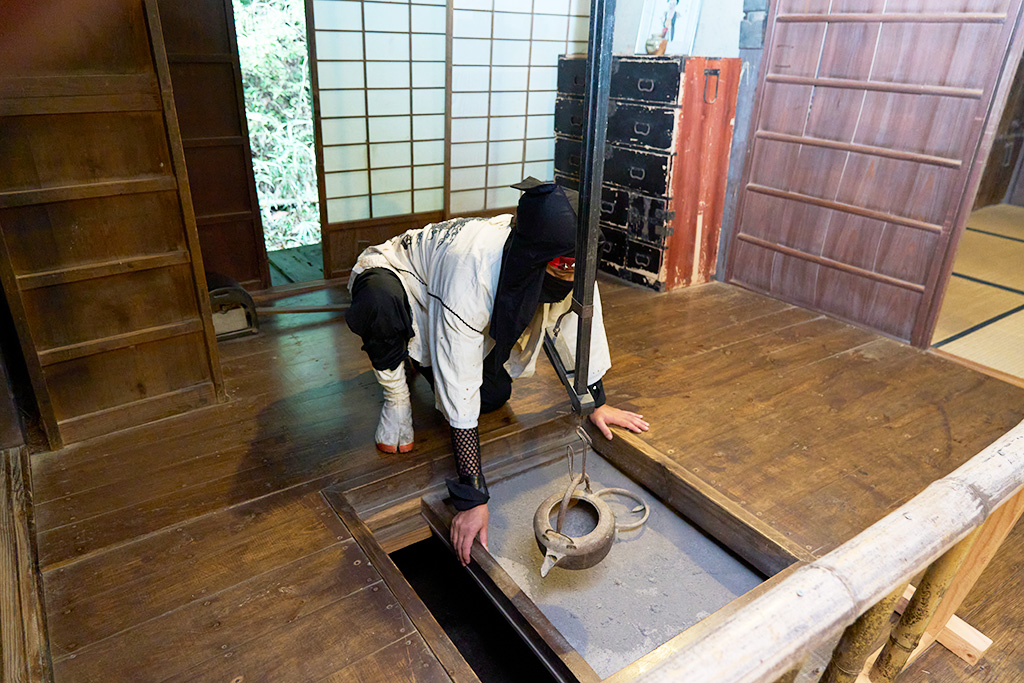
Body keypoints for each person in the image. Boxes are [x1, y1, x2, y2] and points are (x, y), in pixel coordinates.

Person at [345, 178, 649, 566]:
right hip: (403, 279)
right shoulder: (470, 269)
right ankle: (397, 396)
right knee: (380, 304)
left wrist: (594, 403)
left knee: (492, 397)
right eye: (564, 264)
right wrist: (472, 497)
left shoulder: (566, 256)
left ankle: (422, 361)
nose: (573, 271)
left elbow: (578, 329)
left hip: (453, 301)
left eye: (579, 263)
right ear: (537, 257)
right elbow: (459, 381)